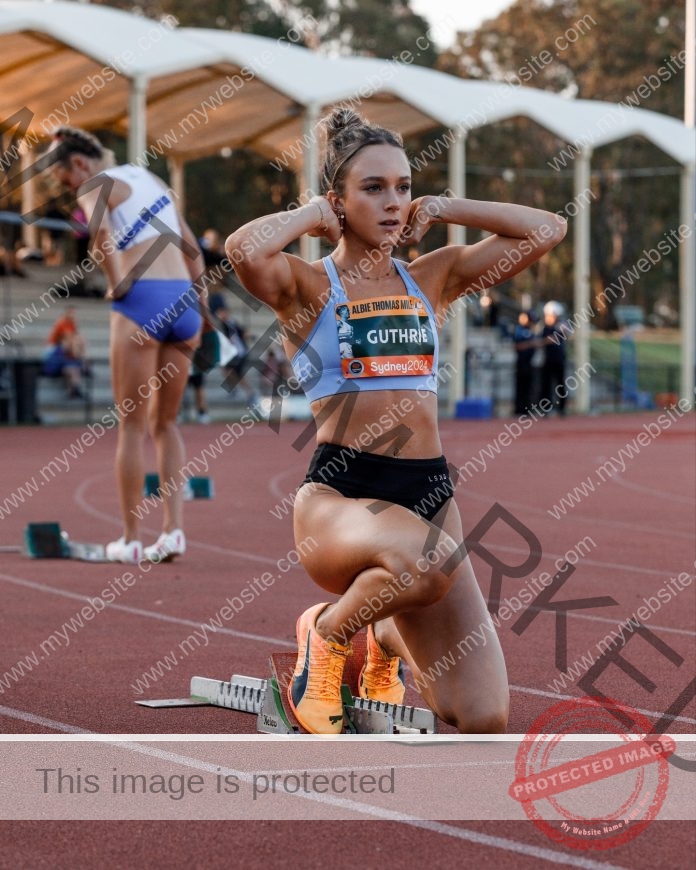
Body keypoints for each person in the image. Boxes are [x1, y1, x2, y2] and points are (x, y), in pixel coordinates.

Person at [225, 108, 567, 734]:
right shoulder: (305, 286)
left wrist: (446, 207)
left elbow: (547, 229)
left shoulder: (431, 277)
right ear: (339, 200)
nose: (393, 202)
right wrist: (309, 215)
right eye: (373, 188)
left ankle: (382, 633)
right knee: (431, 562)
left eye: (403, 186)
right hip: (340, 497)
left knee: (483, 715)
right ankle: (327, 637)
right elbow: (242, 249)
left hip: (429, 495)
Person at [46, 127, 204, 564]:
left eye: (65, 180)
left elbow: (99, 231)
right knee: (166, 424)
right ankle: (173, 532)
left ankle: (132, 539)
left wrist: (117, 282)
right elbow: (189, 242)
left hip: (143, 298)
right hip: (183, 302)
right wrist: (200, 301)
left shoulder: (95, 184)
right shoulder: (148, 179)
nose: (70, 188)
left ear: (79, 165)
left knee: (131, 427)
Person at [43, 305, 89, 398]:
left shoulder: (72, 324)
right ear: (66, 313)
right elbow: (68, 340)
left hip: (65, 353)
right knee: (72, 365)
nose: (73, 315)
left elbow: (75, 339)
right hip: (53, 352)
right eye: (71, 313)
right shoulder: (63, 323)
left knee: (81, 341)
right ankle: (82, 366)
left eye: (74, 313)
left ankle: (75, 386)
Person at [541, 301, 569, 416]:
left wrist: (561, 329)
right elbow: (544, 340)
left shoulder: (561, 325)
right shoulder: (545, 328)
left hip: (559, 359)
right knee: (546, 385)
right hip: (548, 360)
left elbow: (568, 333)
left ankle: (561, 408)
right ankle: (545, 408)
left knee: (560, 385)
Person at [512, 309, 538, 415]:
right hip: (521, 363)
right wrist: (530, 344)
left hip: (529, 363)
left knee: (529, 387)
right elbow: (517, 346)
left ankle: (527, 409)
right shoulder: (519, 330)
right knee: (520, 387)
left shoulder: (531, 331)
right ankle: (519, 409)